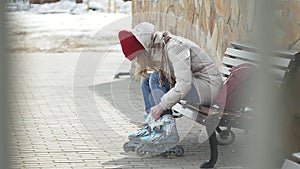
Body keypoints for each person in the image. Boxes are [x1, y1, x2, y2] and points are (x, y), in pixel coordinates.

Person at [118, 22, 222, 148]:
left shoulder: (175, 48)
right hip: (197, 85)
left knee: (155, 78)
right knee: (147, 79)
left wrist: (161, 106)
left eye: (137, 57)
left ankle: (167, 129)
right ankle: (153, 124)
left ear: (144, 50)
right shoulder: (159, 48)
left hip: (208, 88)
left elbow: (184, 84)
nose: (137, 62)